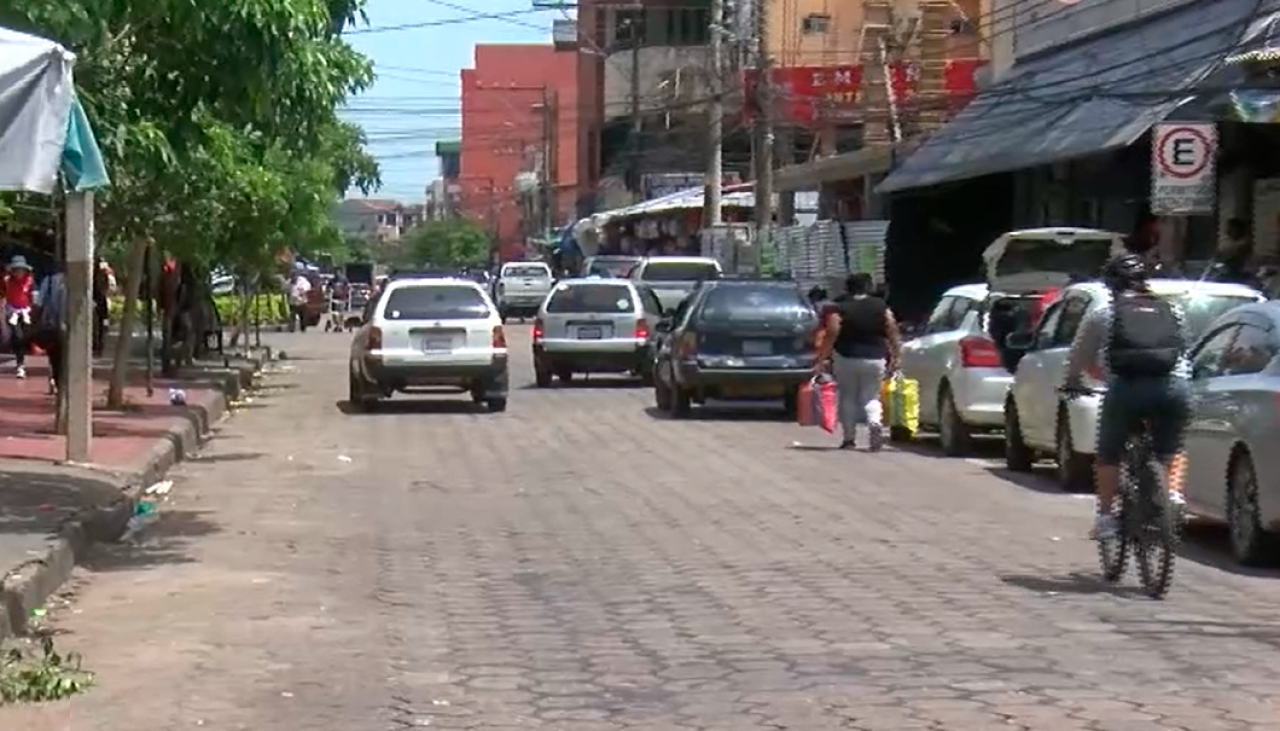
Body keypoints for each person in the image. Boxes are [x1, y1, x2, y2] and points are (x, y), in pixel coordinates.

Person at [1063, 253, 1191, 540]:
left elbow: (1079, 356)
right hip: (1174, 386)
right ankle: (1172, 492)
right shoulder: (1173, 310)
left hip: (1127, 389)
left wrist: (1072, 382)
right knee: (1174, 446)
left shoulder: (1104, 314)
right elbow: (1184, 351)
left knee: (1108, 453)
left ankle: (1106, 518)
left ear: (1111, 285)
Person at [814, 273, 902, 451]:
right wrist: (897, 354)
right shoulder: (880, 305)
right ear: (869, 287)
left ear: (848, 288)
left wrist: (822, 357)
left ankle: (849, 439)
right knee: (871, 395)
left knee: (848, 396)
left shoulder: (840, 306)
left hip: (846, 356)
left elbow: (832, 330)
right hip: (876, 357)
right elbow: (891, 327)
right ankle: (874, 422)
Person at [32, 265, 66, 396]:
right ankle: (61, 385)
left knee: (56, 359)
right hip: (64, 329)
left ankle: (58, 383)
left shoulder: (50, 281)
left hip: (53, 328)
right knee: (60, 359)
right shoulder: (82, 282)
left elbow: (39, 305)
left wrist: (34, 323)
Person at [3, 255, 35, 378]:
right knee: (18, 336)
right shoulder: (7, 281)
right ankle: (20, 365)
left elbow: (33, 296)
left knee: (25, 337)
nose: (19, 272)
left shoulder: (30, 280)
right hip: (12, 311)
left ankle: (21, 357)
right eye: (16, 270)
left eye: (21, 270)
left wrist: (33, 310)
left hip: (26, 311)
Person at [288, 265, 312, 332]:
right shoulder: (290, 282)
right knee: (292, 315)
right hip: (293, 301)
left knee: (302, 316)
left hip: (302, 301)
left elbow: (307, 286)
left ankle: (303, 328)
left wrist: (303, 291)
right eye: (292, 275)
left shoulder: (302, 280)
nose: (293, 276)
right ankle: (292, 328)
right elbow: (286, 289)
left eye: (294, 274)